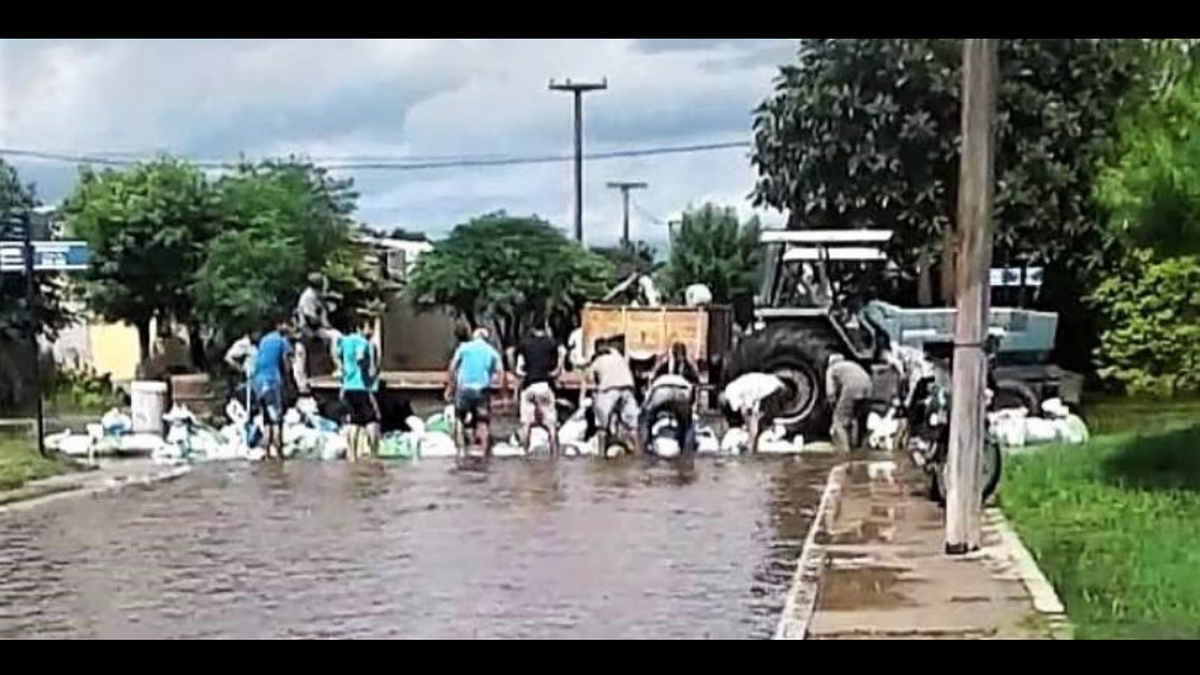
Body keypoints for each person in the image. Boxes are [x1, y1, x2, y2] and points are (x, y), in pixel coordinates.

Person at [447, 327, 504, 459]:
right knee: (483, 421)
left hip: (464, 389)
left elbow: (452, 366)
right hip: (482, 390)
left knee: (459, 419)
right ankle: (484, 452)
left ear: (474, 336)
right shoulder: (491, 351)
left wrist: (451, 386)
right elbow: (500, 371)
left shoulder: (464, 348)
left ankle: (461, 450)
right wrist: (501, 392)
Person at [582, 338, 641, 456]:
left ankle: (601, 455)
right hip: (628, 389)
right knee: (632, 427)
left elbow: (590, 381)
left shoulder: (598, 361)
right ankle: (638, 454)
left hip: (609, 390)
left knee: (601, 426)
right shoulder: (618, 357)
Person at [640, 342, 701, 454]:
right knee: (687, 423)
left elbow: (652, 378)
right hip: (682, 391)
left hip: (661, 389)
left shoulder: (663, 363)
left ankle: (645, 448)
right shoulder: (688, 366)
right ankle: (687, 451)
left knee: (646, 418)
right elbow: (696, 383)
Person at [515, 325, 565, 456]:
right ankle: (554, 457)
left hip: (529, 386)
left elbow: (516, 364)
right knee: (551, 427)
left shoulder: (525, 344)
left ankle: (524, 455)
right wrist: (559, 367)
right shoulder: (551, 343)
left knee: (526, 425)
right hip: (545, 386)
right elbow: (560, 357)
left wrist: (516, 372)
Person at [337, 319, 381, 461]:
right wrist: (369, 373)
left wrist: (344, 375)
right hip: (361, 386)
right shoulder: (362, 342)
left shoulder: (344, 341)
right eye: (369, 328)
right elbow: (360, 357)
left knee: (354, 421)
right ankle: (374, 454)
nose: (371, 332)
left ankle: (352, 455)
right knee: (372, 419)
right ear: (360, 328)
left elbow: (338, 358)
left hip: (348, 386)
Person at [251, 320, 294, 459]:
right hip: (271, 383)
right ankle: (279, 458)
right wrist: (290, 382)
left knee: (267, 421)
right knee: (277, 421)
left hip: (258, 383)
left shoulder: (264, 340)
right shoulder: (282, 341)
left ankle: (267, 455)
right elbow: (287, 365)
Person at [293, 273, 340, 395]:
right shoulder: (308, 296)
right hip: (307, 330)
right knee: (335, 336)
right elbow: (310, 317)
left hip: (313, 329)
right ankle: (338, 366)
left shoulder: (316, 295)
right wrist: (323, 324)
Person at [722, 372, 787, 453]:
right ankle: (753, 447)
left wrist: (749, 428)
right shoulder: (734, 387)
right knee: (758, 421)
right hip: (775, 385)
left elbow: (744, 410)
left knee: (754, 422)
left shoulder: (731, 393)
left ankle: (751, 449)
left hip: (771, 390)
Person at [826, 353, 873, 452]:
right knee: (859, 420)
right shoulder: (851, 364)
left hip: (852, 388)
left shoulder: (832, 368)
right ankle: (860, 448)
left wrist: (834, 406)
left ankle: (845, 451)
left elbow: (830, 392)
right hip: (869, 386)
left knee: (839, 421)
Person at [224, 329, 261, 406]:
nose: (258, 335)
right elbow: (228, 357)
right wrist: (240, 369)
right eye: (256, 333)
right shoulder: (243, 344)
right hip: (244, 379)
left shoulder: (256, 345)